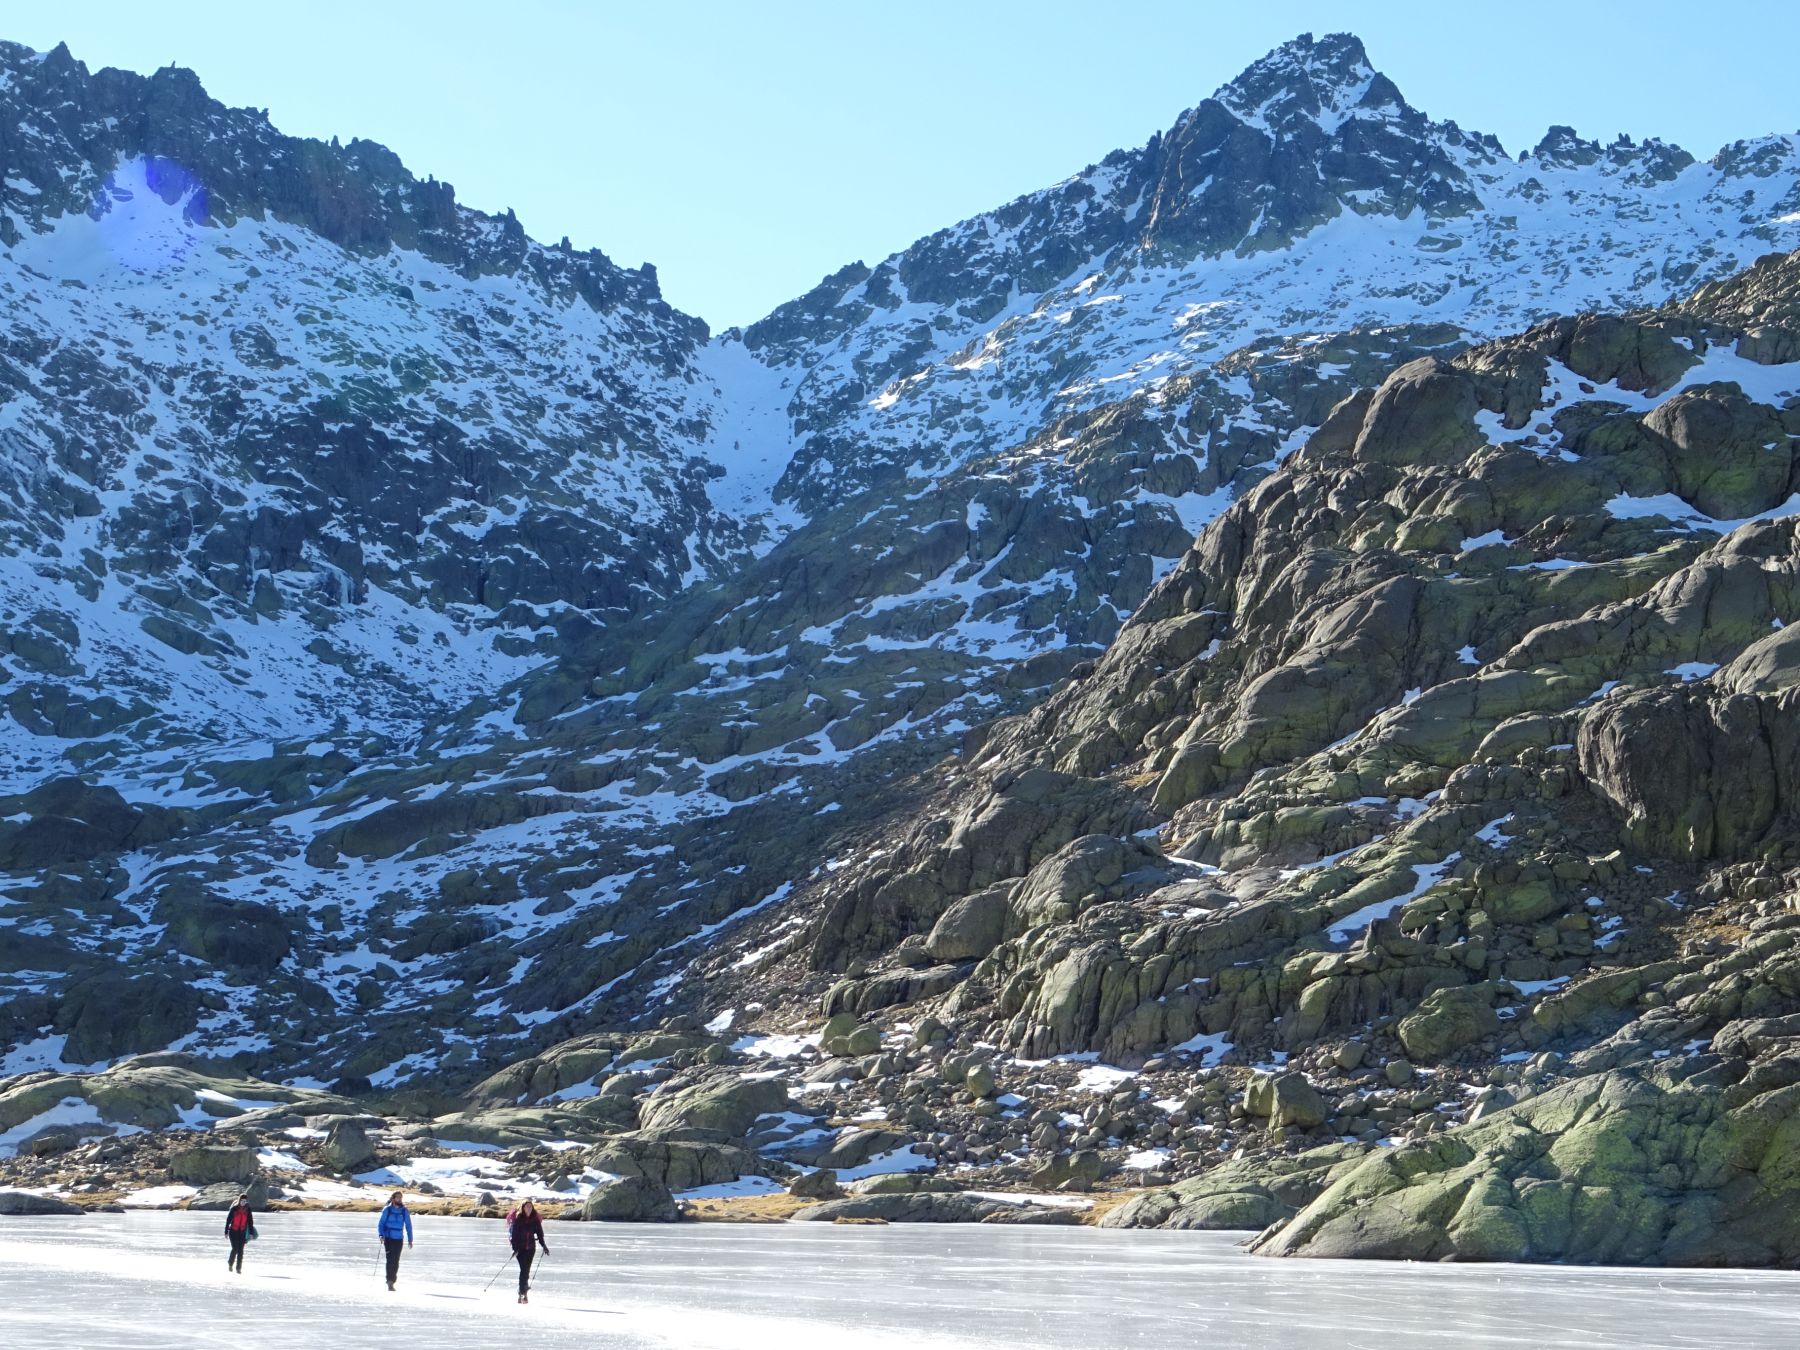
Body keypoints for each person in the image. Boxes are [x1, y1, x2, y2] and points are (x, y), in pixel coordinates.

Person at [505, 1198, 548, 1304]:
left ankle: (522, 1292)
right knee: (523, 1270)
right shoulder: (518, 1219)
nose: (529, 1208)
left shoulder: (535, 1220)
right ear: (523, 1208)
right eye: (527, 1207)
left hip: (531, 1248)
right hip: (520, 1249)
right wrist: (514, 1249)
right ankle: (523, 1292)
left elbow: (540, 1234)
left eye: (530, 1207)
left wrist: (544, 1246)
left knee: (526, 1270)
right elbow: (514, 1236)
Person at [376, 1190, 413, 1290]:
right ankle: (389, 1281)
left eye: (401, 1198)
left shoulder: (404, 1211)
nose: (399, 1199)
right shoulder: (387, 1210)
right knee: (390, 1259)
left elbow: (408, 1225)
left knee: (396, 1260)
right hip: (388, 1238)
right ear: (393, 1199)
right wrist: (381, 1235)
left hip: (399, 1239)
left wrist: (410, 1239)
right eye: (398, 1197)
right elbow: (381, 1224)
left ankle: (392, 1280)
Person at [223, 1192, 256, 1273]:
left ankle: (238, 1268)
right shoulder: (234, 1209)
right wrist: (226, 1232)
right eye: (242, 1201)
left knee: (241, 1251)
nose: (243, 1202)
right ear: (239, 1200)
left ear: (246, 1201)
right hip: (233, 1232)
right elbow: (228, 1221)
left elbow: (250, 1222)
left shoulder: (248, 1210)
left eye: (245, 1201)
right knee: (235, 1249)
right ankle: (230, 1263)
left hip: (242, 1232)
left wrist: (251, 1233)